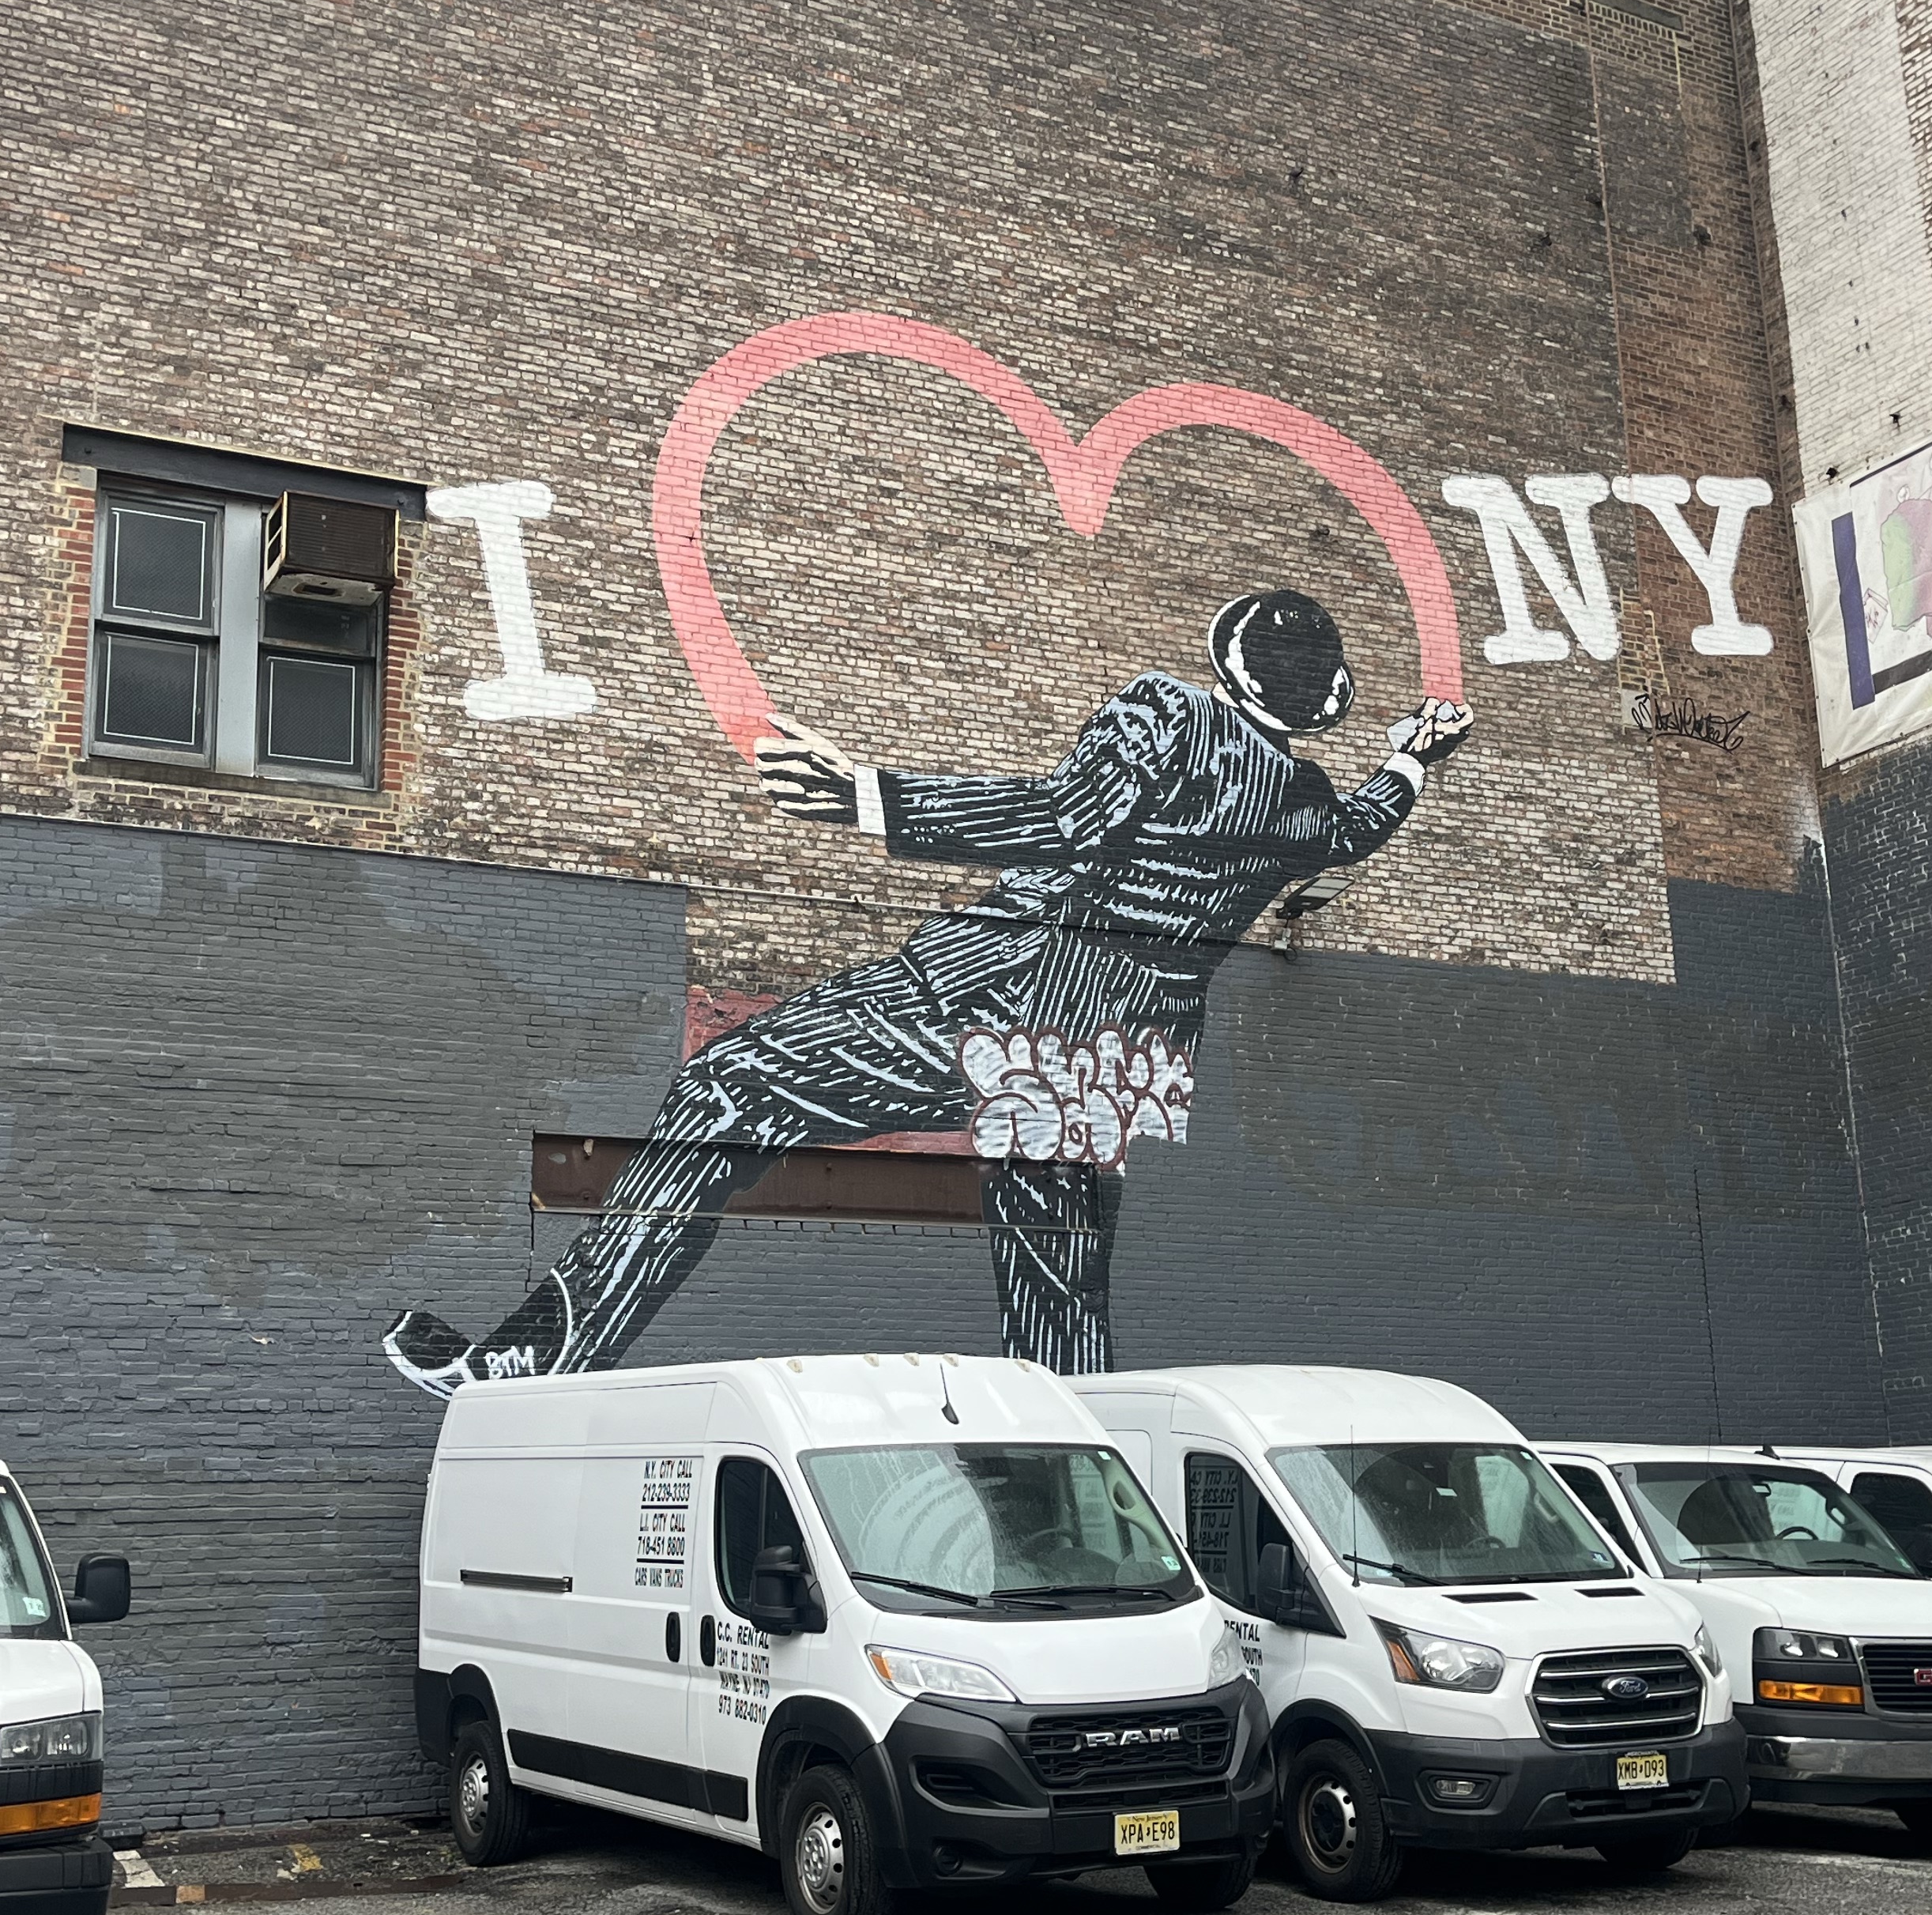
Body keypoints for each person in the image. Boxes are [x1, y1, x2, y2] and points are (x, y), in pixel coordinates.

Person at [385, 591, 1474, 1392]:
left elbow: (1069, 821)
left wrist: (871, 798)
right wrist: (1414, 758)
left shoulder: (1165, 716)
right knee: (1057, 1307)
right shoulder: (1300, 800)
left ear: (1224, 660)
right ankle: (1081, 1504)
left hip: (998, 1006)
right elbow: (1357, 829)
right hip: (1114, 1067)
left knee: (728, 1089)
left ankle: (549, 1351)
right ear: (1320, 700)